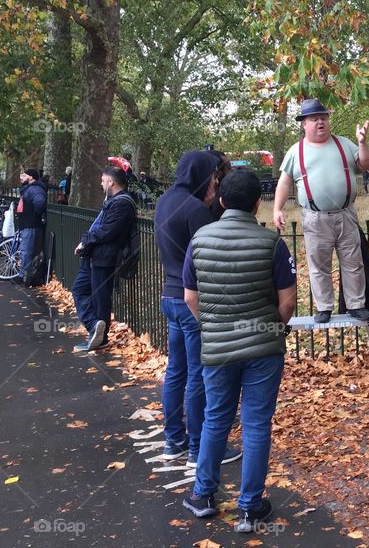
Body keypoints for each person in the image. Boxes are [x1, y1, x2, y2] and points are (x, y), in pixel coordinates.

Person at [181, 169, 296, 533]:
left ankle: (203, 494)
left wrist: (212, 327)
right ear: (258, 203)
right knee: (256, 423)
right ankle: (250, 506)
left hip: (217, 349)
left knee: (216, 417)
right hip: (264, 348)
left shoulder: (199, 240)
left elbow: (190, 297)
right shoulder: (273, 244)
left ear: (222, 200)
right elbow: (288, 301)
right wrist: (272, 328)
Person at [154, 151, 241, 467]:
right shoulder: (194, 210)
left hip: (169, 296)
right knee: (200, 375)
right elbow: (212, 255)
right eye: (213, 179)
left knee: (175, 371)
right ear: (202, 176)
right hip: (192, 300)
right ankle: (197, 447)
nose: (215, 185)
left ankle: (173, 440)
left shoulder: (165, 201)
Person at [273, 99, 369, 323]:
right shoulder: (295, 151)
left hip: (346, 213)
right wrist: (277, 209)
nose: (320, 122)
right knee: (318, 263)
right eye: (314, 118)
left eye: (324, 118)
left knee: (352, 261)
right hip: (314, 217)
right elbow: (284, 182)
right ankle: (324, 307)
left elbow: (365, 165)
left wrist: (363, 143)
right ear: (304, 124)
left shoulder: (344, 144)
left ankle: (356, 304)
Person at [71, 166, 137, 353]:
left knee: (100, 298)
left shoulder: (123, 202)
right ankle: (94, 325)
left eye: (103, 181)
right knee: (79, 289)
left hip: (105, 257)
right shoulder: (114, 200)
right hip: (95, 255)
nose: (100, 184)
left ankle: (100, 337)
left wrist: (86, 241)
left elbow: (108, 230)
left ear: (111, 182)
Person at [14, 169, 47, 284]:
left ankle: (24, 275)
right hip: (27, 224)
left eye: (24, 175)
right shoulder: (29, 189)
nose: (21, 177)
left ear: (31, 177)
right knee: (26, 250)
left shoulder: (35, 189)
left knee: (27, 251)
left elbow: (40, 203)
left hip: (31, 224)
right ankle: (24, 275)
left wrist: (34, 216)